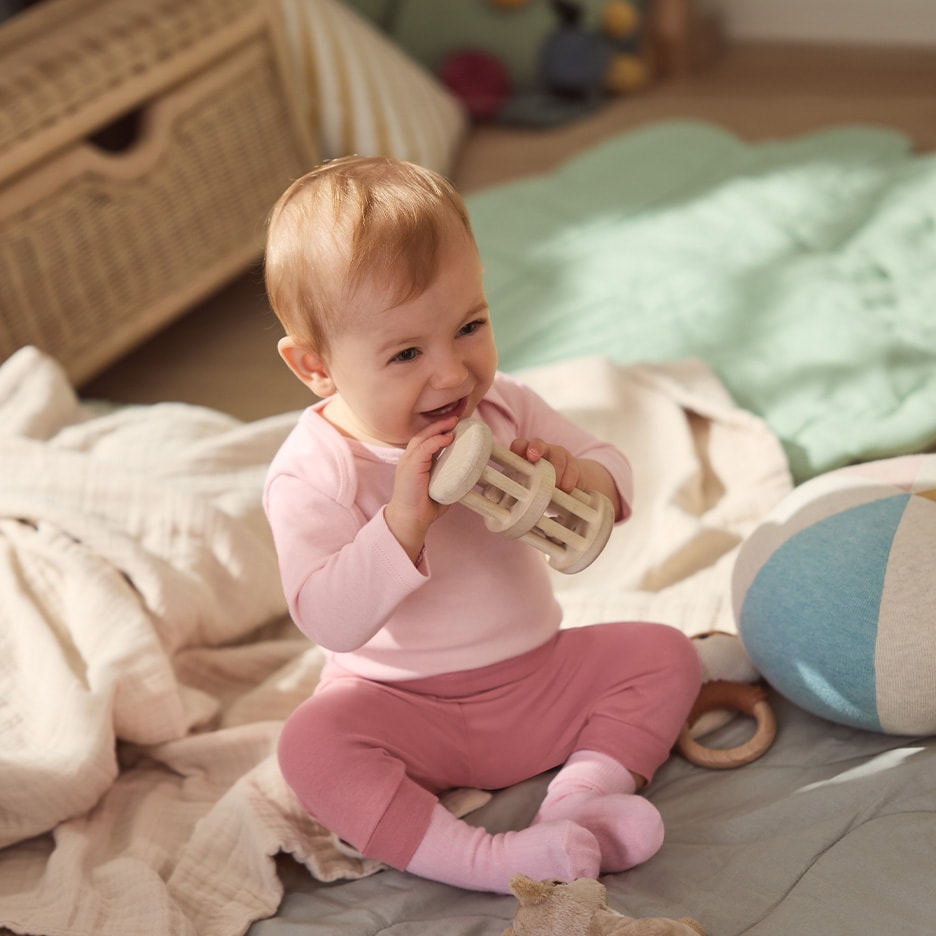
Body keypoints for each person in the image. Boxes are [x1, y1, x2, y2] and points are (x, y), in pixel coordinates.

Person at [262, 155, 702, 894]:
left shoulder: (503, 408)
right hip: (403, 707)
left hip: (539, 679)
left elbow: (611, 469)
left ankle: (583, 805)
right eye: (405, 353)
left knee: (665, 655)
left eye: (468, 327)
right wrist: (402, 523)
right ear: (316, 367)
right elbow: (327, 619)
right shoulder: (314, 470)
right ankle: (488, 862)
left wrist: (575, 473)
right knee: (311, 746)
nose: (452, 375)